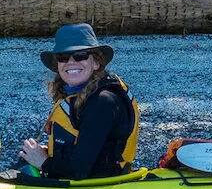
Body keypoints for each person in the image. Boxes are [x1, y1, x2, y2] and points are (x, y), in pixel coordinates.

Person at [20, 24, 141, 180]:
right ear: (58, 65)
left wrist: (43, 162)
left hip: (100, 185)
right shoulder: (82, 95)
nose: (71, 62)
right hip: (86, 180)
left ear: (96, 63)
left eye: (80, 55)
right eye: (63, 57)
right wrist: (50, 153)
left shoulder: (103, 102)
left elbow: (78, 171)